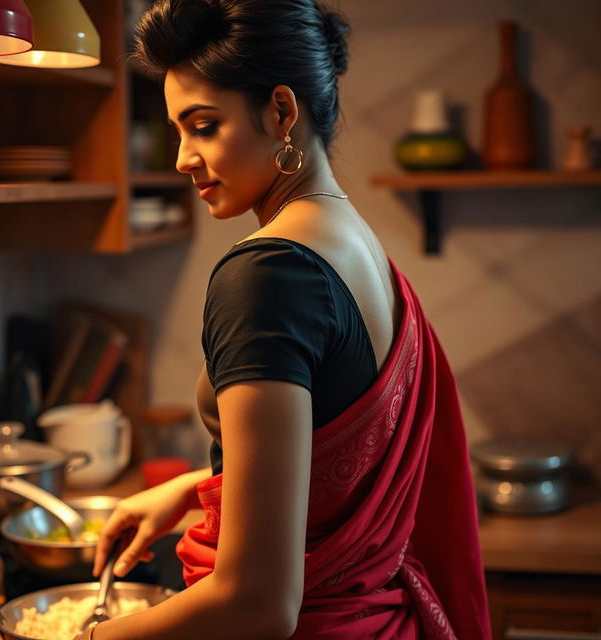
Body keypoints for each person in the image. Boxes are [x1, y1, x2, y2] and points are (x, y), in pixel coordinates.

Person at [73, 1, 491, 638]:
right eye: (177, 131)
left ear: (282, 112)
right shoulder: (353, 243)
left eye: (204, 125)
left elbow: (257, 604)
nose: (183, 158)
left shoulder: (266, 275)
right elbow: (335, 452)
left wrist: (86, 637)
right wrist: (193, 490)